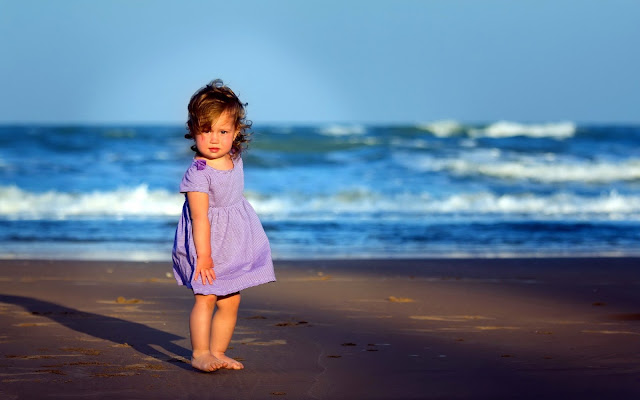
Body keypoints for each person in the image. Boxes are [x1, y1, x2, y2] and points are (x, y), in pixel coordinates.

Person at [172, 79, 276, 372]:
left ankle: (217, 351)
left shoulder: (234, 156)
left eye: (223, 131)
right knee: (206, 297)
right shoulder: (198, 174)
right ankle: (200, 353)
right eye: (206, 131)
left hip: (235, 238)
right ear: (194, 130)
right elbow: (200, 218)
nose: (214, 139)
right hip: (206, 241)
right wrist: (203, 256)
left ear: (236, 133)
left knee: (231, 300)